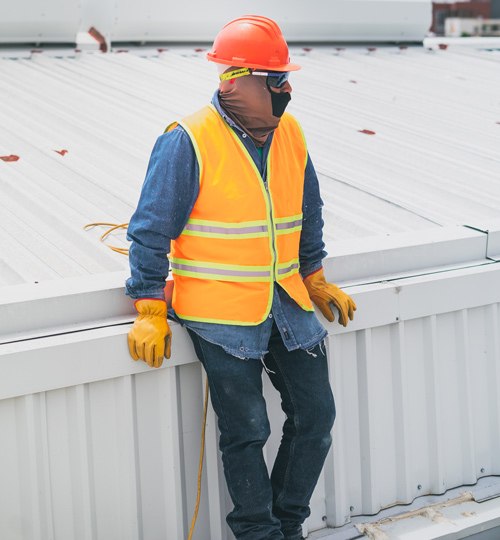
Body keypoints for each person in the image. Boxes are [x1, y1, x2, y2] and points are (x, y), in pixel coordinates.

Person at [126, 15, 356, 540]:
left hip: (287, 302)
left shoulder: (290, 133)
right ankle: (258, 533)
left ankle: (287, 525)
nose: (286, 90)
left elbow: (308, 212)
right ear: (237, 79)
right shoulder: (187, 140)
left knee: (316, 416)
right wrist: (148, 308)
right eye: (276, 80)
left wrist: (315, 277)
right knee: (247, 430)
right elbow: (150, 230)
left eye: (285, 78)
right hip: (220, 313)